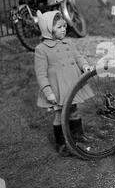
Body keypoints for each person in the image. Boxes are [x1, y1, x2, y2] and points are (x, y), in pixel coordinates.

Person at [34, 10, 93, 157]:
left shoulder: (68, 43)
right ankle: (61, 143)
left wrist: (84, 66)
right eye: (59, 27)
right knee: (60, 115)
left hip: (72, 84)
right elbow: (41, 74)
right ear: (49, 29)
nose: (63, 29)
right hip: (58, 88)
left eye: (64, 26)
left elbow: (78, 57)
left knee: (73, 110)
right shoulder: (41, 50)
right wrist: (48, 92)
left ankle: (78, 135)